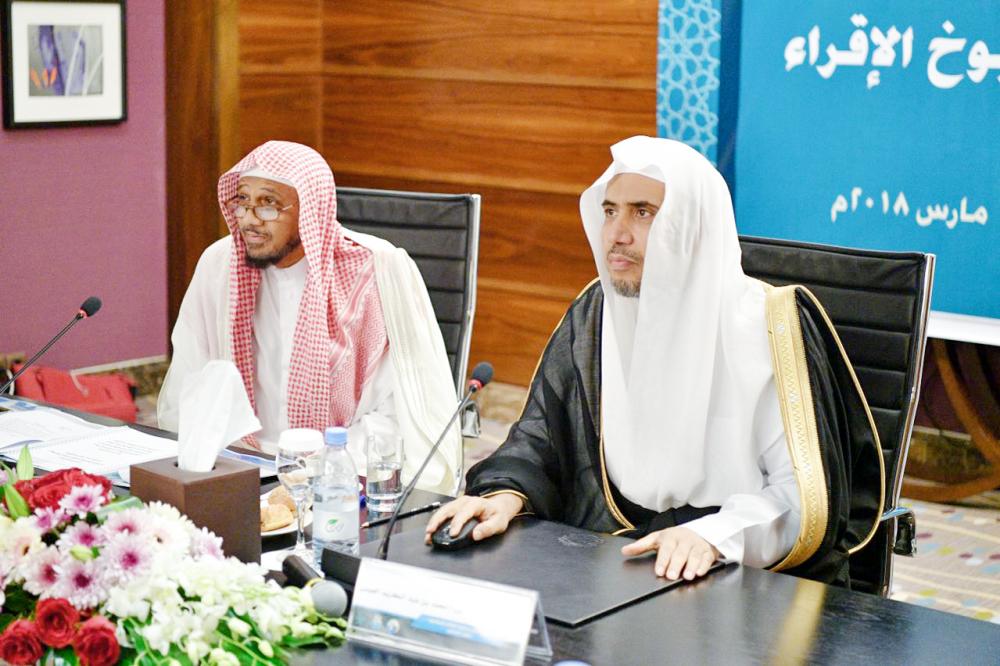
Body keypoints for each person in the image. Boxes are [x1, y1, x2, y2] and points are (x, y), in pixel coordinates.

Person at [426, 136, 883, 585]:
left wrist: (715, 536)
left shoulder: (773, 327)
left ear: (691, 224)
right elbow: (543, 437)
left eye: (642, 212)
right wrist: (506, 495)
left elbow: (803, 496)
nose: (616, 235)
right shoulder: (596, 312)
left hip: (733, 576)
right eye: (610, 211)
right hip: (612, 561)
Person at [158, 141, 461, 493]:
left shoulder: (378, 270)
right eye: (242, 201)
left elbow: (397, 416)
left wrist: (318, 468)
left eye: (269, 204)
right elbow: (190, 385)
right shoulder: (219, 264)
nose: (249, 220)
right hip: (236, 465)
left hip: (343, 474)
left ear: (310, 211)